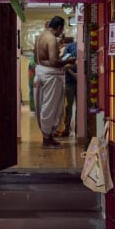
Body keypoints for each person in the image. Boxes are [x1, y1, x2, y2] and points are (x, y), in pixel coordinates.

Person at [33, 16, 75, 149]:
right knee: (50, 107)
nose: (61, 32)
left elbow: (38, 59)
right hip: (50, 76)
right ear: (58, 27)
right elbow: (54, 62)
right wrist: (68, 61)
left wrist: (55, 61)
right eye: (61, 29)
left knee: (44, 105)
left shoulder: (40, 36)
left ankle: (48, 136)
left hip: (41, 73)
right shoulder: (51, 39)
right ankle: (47, 138)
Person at [58, 37, 77, 138]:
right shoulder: (71, 47)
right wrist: (74, 74)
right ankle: (73, 130)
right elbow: (65, 63)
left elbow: (64, 63)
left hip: (70, 81)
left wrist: (71, 70)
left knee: (69, 107)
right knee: (72, 107)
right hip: (73, 81)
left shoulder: (69, 47)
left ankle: (67, 130)